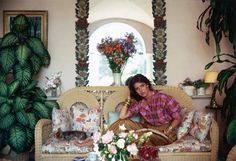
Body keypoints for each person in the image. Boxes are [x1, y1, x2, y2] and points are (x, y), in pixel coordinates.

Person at [109, 74, 182, 146]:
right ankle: (106, 141)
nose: (141, 90)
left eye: (142, 86)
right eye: (137, 89)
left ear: (147, 85)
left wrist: (168, 130)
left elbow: (178, 118)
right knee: (123, 122)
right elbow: (122, 116)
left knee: (139, 136)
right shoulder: (140, 104)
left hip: (163, 132)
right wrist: (128, 100)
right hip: (148, 129)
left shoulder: (163, 98)